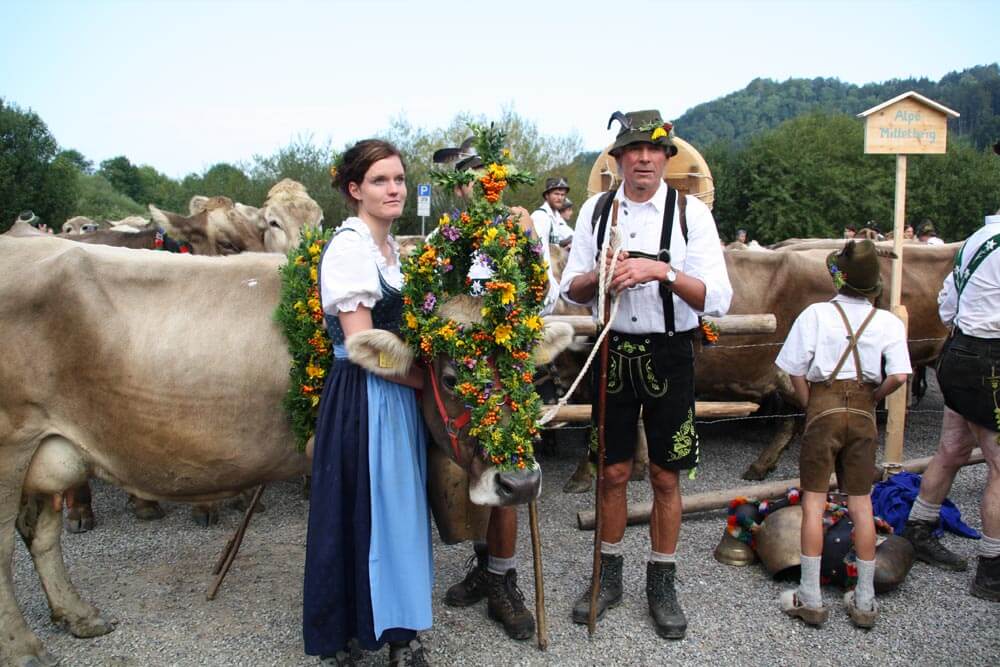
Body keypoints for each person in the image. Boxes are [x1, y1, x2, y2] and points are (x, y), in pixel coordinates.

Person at [561, 109, 732, 640]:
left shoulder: (689, 214)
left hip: (670, 353)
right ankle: (606, 577)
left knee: (664, 474)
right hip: (611, 352)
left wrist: (661, 270)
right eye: (632, 150)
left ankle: (662, 582)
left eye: (653, 150)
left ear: (665, 157)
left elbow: (719, 298)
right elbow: (570, 290)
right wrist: (600, 274)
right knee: (611, 473)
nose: (643, 159)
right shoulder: (595, 210)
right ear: (617, 160)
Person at [304, 139, 433, 667]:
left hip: (396, 396)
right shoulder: (350, 247)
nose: (394, 189)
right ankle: (352, 631)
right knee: (363, 510)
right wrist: (430, 383)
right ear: (355, 190)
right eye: (380, 180)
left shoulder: (388, 247)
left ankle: (400, 632)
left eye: (399, 179)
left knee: (397, 511)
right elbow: (362, 349)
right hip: (365, 397)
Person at [431, 142, 537, 642]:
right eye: (465, 177)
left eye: (483, 176)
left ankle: (502, 580)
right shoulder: (442, 237)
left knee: (508, 474)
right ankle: (484, 566)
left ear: (499, 182)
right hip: (461, 370)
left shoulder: (519, 230)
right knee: (473, 468)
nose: (474, 185)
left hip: (503, 367)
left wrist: (532, 243)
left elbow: (542, 296)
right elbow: (425, 301)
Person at [775, 240, 911, 628]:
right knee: (861, 503)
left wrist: (809, 404)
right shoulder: (887, 322)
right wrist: (874, 397)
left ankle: (811, 597)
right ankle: (865, 602)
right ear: (874, 286)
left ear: (839, 278)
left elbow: (793, 368)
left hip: (823, 409)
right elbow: (900, 374)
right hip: (864, 412)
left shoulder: (816, 314)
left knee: (815, 502)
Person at [901, 210, 1000, 602]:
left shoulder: (977, 239)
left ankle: (918, 530)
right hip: (991, 359)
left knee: (952, 450)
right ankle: (992, 571)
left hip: (957, 350)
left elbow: (947, 302)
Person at [531, 177, 575, 313]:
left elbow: (568, 238)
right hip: (546, 278)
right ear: (546, 196)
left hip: (557, 276)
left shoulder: (556, 217)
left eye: (563, 195)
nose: (560, 198)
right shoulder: (541, 216)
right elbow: (538, 249)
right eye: (556, 194)